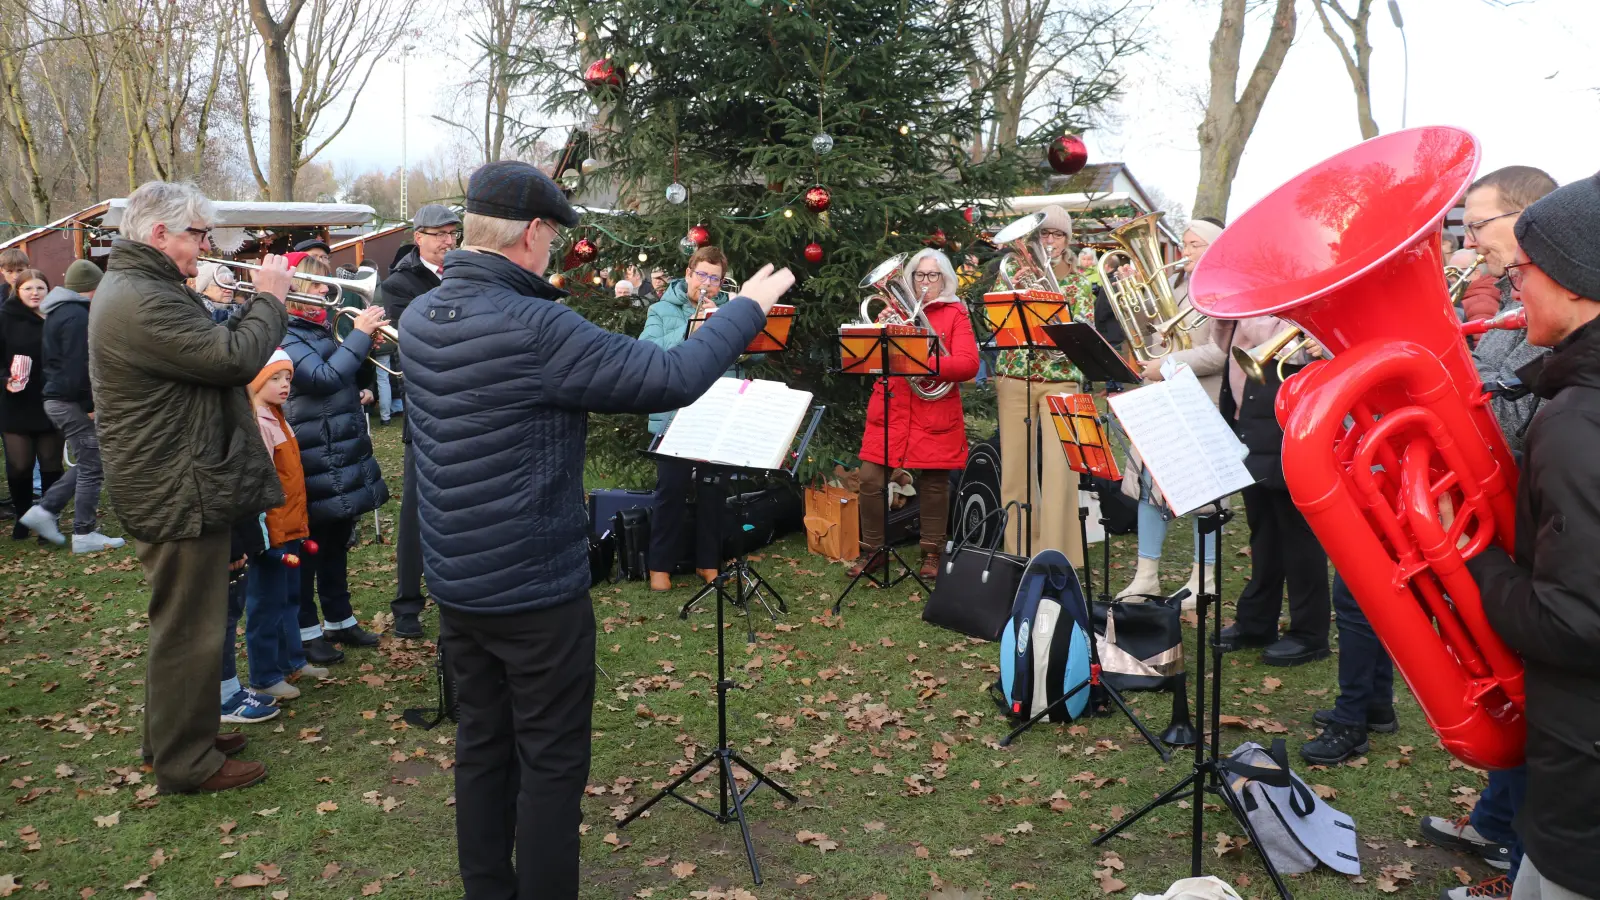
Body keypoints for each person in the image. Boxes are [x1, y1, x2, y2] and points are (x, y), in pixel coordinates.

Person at [400, 159, 794, 899]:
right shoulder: (535, 324)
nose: (553, 255)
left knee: (482, 746)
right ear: (535, 233)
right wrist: (747, 307)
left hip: (457, 582)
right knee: (550, 762)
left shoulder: (424, 316)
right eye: (553, 239)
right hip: (533, 589)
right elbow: (670, 377)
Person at [90, 180, 290, 793]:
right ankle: (187, 762)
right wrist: (271, 300)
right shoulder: (143, 298)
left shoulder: (147, 287)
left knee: (184, 622)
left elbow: (207, 350)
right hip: (176, 484)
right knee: (190, 629)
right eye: (197, 235)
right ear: (158, 234)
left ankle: (179, 734)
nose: (206, 246)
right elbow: (232, 359)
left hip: (180, 476)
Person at [1417, 166, 1560, 900]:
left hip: (1533, 531)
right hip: (1511, 530)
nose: (1466, 241)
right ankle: (1504, 836)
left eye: (1479, 225)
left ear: (1531, 218)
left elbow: (1500, 427)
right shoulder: (1509, 299)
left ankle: (1519, 858)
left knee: (1539, 697)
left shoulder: (1544, 310)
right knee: (1517, 690)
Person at [1465, 172, 1600, 900]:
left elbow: (1578, 621)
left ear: (1578, 281)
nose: (1513, 290)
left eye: (1524, 272)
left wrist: (1478, 564)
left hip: (1583, 783)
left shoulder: (1580, 424)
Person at [280, 256, 390, 660]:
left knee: (335, 542)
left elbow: (348, 377)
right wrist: (358, 337)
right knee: (308, 550)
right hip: (310, 453)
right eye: (315, 285)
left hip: (336, 449)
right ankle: (306, 631)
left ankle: (340, 620)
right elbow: (323, 379)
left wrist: (363, 347)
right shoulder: (285, 334)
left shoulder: (320, 329)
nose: (326, 291)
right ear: (291, 292)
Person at [848, 248, 979, 580]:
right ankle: (874, 550)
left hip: (934, 406)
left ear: (945, 279)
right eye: (919, 275)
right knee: (869, 478)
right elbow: (872, 356)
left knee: (934, 483)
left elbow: (968, 364)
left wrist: (925, 364)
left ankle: (932, 552)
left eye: (932, 275)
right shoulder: (892, 311)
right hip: (892, 405)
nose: (925, 282)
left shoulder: (955, 314)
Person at [1117, 218, 1228, 604]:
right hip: (1162, 399)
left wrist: (1166, 365)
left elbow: (1218, 353)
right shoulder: (1178, 286)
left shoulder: (1221, 291)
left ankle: (1204, 579)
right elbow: (1154, 337)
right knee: (1150, 486)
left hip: (1201, 401)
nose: (1185, 252)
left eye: (1195, 245)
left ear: (1215, 247)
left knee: (1202, 492)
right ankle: (1146, 576)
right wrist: (1140, 300)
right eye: (1184, 244)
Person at [1212, 310, 1331, 667]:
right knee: (1263, 532)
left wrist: (1246, 309)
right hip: (1250, 414)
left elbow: (1293, 351)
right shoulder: (1248, 304)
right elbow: (1224, 348)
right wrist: (1223, 315)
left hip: (1287, 415)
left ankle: (1310, 633)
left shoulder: (1285, 298)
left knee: (1298, 535)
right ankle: (1256, 621)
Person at [637, 247, 759, 590]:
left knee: (714, 490)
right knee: (671, 489)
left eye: (714, 278)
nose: (706, 283)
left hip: (719, 409)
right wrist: (694, 328)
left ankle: (709, 561)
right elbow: (649, 348)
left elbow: (758, 354)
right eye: (701, 275)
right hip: (675, 411)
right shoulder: (661, 309)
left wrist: (733, 329)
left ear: (721, 282)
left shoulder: (726, 309)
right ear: (688, 273)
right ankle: (660, 565)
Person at [992, 204, 1098, 566]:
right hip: (1015, 375)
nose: (1049, 241)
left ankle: (1056, 556)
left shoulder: (1079, 282)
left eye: (1056, 234)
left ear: (1067, 240)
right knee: (1015, 471)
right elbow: (998, 321)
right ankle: (1017, 553)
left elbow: (1081, 331)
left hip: (1062, 380)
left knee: (1060, 470)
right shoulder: (1014, 274)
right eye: (1043, 234)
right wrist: (1019, 292)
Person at [382, 203, 460, 638]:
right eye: (441, 234)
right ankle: (407, 605)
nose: (450, 241)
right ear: (420, 238)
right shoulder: (400, 283)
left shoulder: (466, 273)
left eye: (454, 234)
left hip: (467, 405)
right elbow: (412, 340)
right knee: (415, 510)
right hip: (427, 408)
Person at [18, 260, 124, 552]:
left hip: (59, 400)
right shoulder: (77, 316)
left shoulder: (59, 312)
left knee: (91, 462)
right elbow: (79, 365)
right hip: (71, 401)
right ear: (94, 288)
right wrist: (90, 403)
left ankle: (45, 511)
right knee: (93, 465)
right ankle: (83, 532)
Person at [244, 348, 325, 701]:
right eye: (274, 378)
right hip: (271, 532)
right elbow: (259, 483)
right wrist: (266, 535)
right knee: (266, 604)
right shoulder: (257, 422)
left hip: (291, 526)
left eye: (287, 378)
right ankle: (264, 674)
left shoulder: (278, 417)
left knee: (291, 597)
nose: (284, 385)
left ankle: (292, 660)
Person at [1, 269, 64, 540]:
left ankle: (48, 518)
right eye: (28, 288)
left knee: (50, 461)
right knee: (20, 464)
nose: (35, 293)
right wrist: (5, 379)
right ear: (18, 291)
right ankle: (23, 515)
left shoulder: (57, 317)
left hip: (51, 397)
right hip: (15, 399)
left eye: (40, 287)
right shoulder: (5, 318)